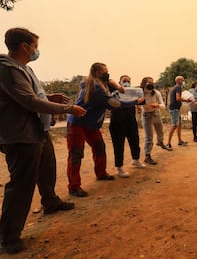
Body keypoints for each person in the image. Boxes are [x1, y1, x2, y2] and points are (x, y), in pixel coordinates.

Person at [0, 28, 86, 254]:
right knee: (22, 184)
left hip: (37, 129)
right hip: (20, 135)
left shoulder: (24, 68)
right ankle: (9, 235)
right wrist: (67, 108)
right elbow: (28, 101)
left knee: (47, 167)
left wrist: (49, 97)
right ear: (24, 46)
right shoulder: (7, 70)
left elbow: (34, 96)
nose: (37, 51)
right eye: (35, 46)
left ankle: (50, 201)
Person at [67, 62, 144, 198]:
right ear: (98, 73)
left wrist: (117, 85)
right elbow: (115, 104)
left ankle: (101, 173)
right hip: (77, 123)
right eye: (105, 71)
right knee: (76, 154)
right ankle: (74, 187)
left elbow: (110, 80)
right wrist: (135, 102)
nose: (107, 74)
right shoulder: (96, 88)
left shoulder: (99, 83)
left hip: (90, 124)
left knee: (99, 148)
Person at [109, 75, 146, 178]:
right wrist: (118, 87)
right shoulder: (115, 92)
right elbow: (109, 81)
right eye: (124, 81)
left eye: (128, 81)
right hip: (117, 122)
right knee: (119, 145)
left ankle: (136, 159)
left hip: (130, 120)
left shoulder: (133, 92)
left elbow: (142, 101)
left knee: (135, 140)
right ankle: (119, 167)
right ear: (119, 82)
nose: (126, 83)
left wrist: (139, 101)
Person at [140, 77, 171, 165]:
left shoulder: (156, 93)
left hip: (156, 113)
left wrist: (157, 105)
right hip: (147, 115)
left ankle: (160, 142)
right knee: (149, 136)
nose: (151, 84)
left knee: (160, 131)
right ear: (144, 83)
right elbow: (137, 102)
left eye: (152, 82)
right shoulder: (141, 93)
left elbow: (163, 105)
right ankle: (147, 155)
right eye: (149, 82)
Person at [167, 75, 190, 149]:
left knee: (179, 124)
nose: (183, 81)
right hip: (175, 109)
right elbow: (178, 98)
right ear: (178, 81)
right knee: (174, 125)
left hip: (175, 109)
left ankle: (180, 141)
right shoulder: (178, 87)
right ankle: (168, 143)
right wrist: (186, 100)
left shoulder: (175, 87)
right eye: (182, 80)